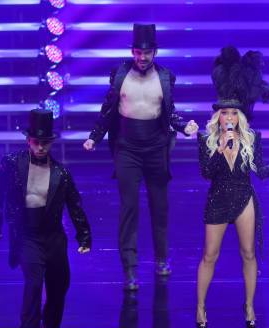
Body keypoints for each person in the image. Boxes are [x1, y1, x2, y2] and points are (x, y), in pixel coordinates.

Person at [83, 23, 199, 290]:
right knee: (129, 208)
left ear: (155, 52)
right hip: (127, 148)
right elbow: (108, 110)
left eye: (146, 53)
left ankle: (161, 259)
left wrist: (185, 126)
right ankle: (130, 270)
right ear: (132, 51)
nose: (142, 57)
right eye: (137, 52)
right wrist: (94, 136)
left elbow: (170, 114)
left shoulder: (166, 77)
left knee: (160, 207)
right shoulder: (120, 74)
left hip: (156, 148)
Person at [196, 46, 269, 328]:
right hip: (218, 199)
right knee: (210, 256)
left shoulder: (253, 138)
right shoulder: (206, 139)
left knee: (248, 254)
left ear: (240, 115)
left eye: (233, 112)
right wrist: (219, 149)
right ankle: (200, 307)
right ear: (217, 115)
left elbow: (261, 173)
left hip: (244, 198)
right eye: (224, 113)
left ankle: (249, 306)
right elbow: (206, 173)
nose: (229, 117)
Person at [0, 109, 91, 328]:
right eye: (36, 142)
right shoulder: (11, 165)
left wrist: (84, 236)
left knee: (59, 286)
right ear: (28, 141)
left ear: (51, 143)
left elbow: (74, 204)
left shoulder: (61, 172)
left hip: (53, 237)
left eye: (45, 143)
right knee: (34, 282)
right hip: (26, 235)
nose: (40, 147)